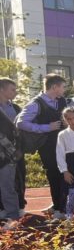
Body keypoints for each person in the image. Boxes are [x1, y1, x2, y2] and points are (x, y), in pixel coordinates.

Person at [16, 73, 68, 219]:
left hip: (63, 143)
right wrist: (46, 127)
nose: (64, 90)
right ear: (54, 87)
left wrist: (66, 122)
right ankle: (58, 208)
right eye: (63, 87)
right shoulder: (35, 103)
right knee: (54, 174)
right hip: (47, 146)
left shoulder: (62, 101)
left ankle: (62, 206)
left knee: (64, 174)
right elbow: (20, 123)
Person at [0, 78, 23, 213]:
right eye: (12, 89)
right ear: (2, 90)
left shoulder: (15, 108)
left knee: (9, 184)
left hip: (9, 154)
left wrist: (17, 149)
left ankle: (14, 214)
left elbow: (19, 131)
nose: (16, 92)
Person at [0, 106, 19, 228]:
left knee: (7, 188)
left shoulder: (4, 122)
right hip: (6, 157)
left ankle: (13, 219)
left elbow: (11, 138)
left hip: (6, 158)